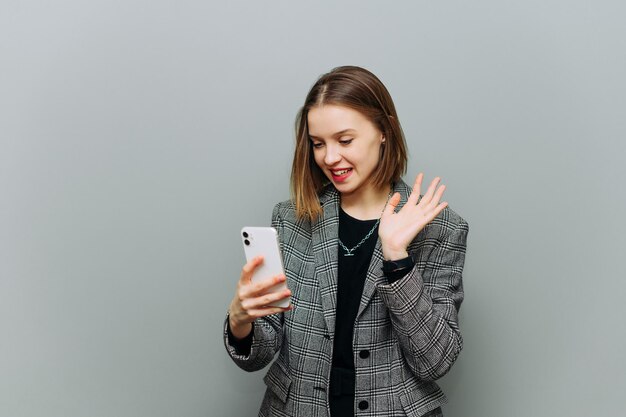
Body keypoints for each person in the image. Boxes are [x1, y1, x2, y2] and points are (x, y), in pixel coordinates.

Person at [224, 66, 469, 417]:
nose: (329, 158)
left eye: (345, 140)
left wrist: (398, 259)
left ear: (383, 130)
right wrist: (240, 320)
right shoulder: (290, 219)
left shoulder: (438, 228)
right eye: (318, 143)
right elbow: (259, 353)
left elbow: (436, 361)